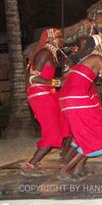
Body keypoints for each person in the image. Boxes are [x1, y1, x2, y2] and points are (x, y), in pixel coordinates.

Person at [58, 35, 102, 181]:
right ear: (97, 46)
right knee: (93, 135)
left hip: (67, 100)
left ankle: (77, 170)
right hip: (77, 100)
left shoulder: (80, 62)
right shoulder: (96, 58)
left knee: (86, 133)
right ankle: (66, 170)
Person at [21, 28, 65, 177]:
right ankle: (31, 165)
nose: (62, 40)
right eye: (60, 37)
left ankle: (38, 162)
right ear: (51, 38)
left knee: (59, 126)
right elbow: (33, 78)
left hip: (47, 95)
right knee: (52, 132)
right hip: (41, 96)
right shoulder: (45, 52)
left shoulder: (51, 54)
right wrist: (57, 82)